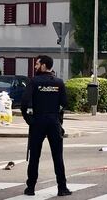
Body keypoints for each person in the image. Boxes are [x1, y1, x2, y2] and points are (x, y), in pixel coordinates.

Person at [20, 55, 72, 196]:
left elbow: (24, 103)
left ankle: (30, 188)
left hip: (37, 122)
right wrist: (58, 120)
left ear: (43, 65)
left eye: (37, 64)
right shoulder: (59, 82)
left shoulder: (34, 82)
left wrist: (29, 120)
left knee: (34, 156)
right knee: (58, 156)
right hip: (53, 122)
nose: (35, 66)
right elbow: (65, 103)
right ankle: (62, 188)